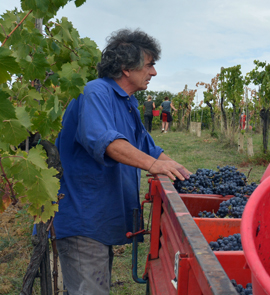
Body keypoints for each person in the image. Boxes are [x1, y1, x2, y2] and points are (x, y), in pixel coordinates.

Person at [54, 28, 189, 295]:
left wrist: (187, 175)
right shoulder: (95, 92)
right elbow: (107, 142)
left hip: (99, 219)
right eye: (150, 65)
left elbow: (149, 147)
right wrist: (153, 166)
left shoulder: (127, 103)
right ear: (127, 67)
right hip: (84, 218)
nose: (154, 73)